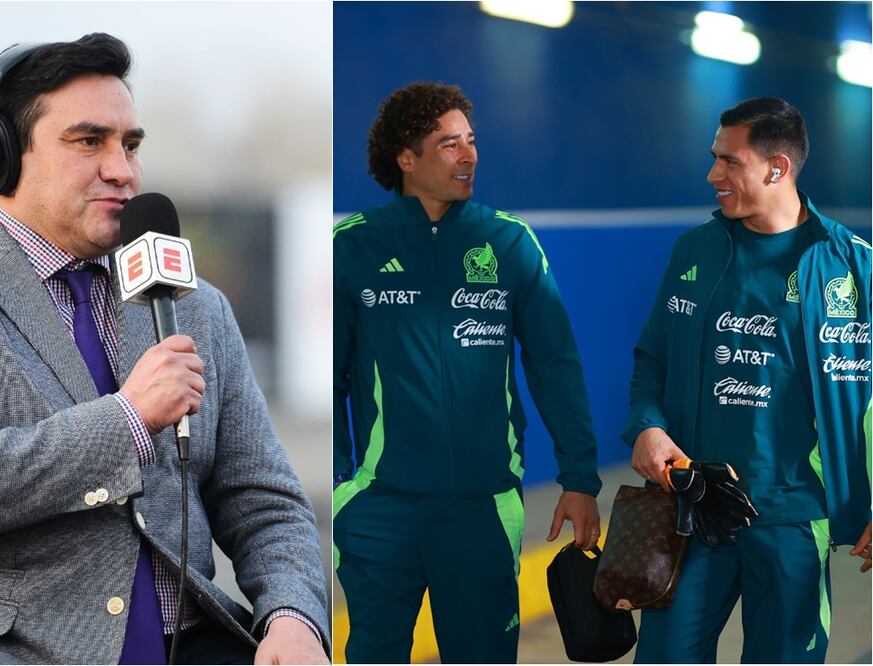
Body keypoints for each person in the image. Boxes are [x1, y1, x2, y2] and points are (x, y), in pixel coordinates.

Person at [0, 33, 328, 665]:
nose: (123, 170)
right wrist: (129, 421)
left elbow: (262, 498)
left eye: (130, 145)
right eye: (89, 141)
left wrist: (292, 618)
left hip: (184, 645)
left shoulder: (196, 307)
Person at [332, 82, 602, 663]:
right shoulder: (351, 247)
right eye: (449, 144)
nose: (470, 155)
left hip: (483, 509)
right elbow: (330, 381)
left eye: (472, 142)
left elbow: (555, 365)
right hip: (381, 511)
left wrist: (580, 478)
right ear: (408, 158)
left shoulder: (509, 242)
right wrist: (342, 491)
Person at [625, 97, 872, 663]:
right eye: (715, 158)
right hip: (691, 506)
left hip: (792, 516)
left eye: (729, 161)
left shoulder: (853, 268)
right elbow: (652, 358)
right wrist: (647, 425)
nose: (713, 174)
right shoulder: (695, 250)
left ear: (776, 167)